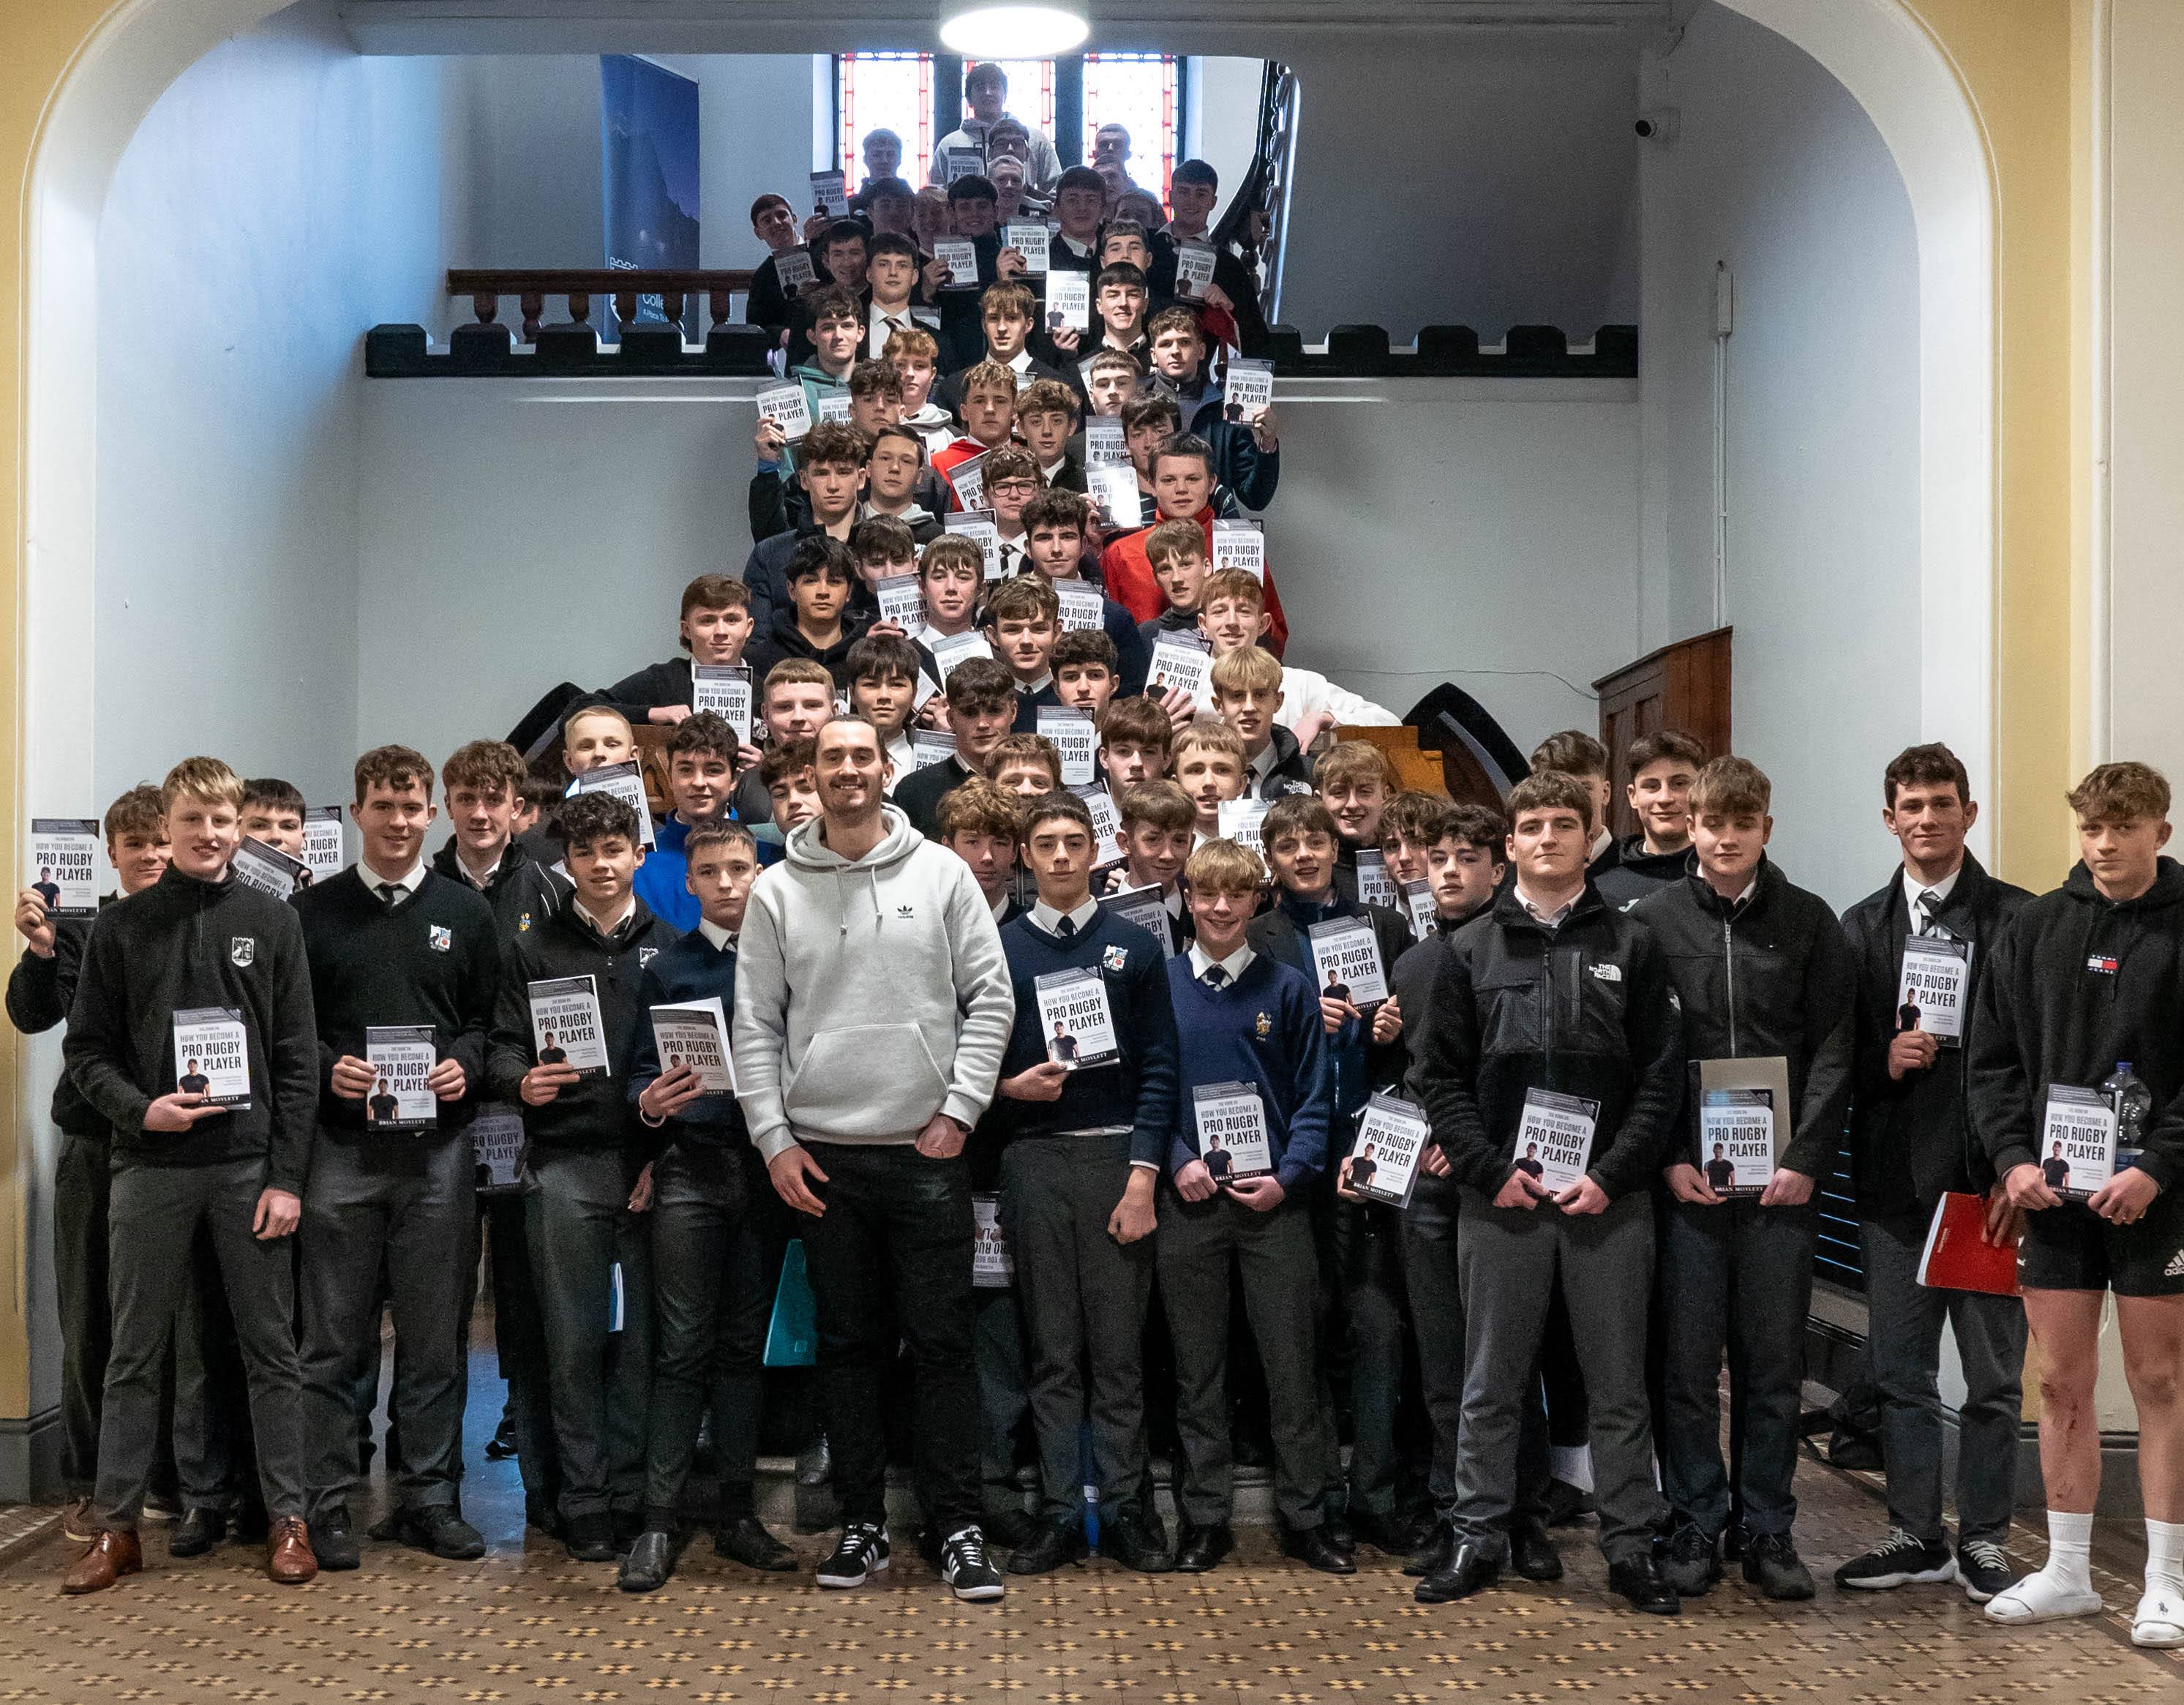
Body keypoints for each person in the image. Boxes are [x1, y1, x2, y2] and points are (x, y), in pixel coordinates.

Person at [732, 713, 1016, 1603]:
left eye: (862, 755)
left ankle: (958, 1525)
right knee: (848, 1349)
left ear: (886, 768)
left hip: (928, 1152)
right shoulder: (777, 889)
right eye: (832, 758)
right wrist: (775, 1139)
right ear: (808, 775)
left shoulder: (941, 873)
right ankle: (860, 1522)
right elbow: (754, 1025)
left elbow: (991, 998)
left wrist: (961, 1108)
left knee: (941, 1346)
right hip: (824, 1162)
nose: (848, 769)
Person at [1408, 768, 1683, 1615]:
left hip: (1610, 1204)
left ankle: (1632, 1544)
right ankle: (1477, 1533)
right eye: (1531, 825)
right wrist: (1492, 1171)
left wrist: (1611, 1176)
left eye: (1565, 822)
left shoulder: (1633, 944)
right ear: (1510, 844)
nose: (1547, 837)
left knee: (1617, 1383)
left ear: (1589, 833)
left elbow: (1663, 1081)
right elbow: (1438, 1078)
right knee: (1490, 1381)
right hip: (1502, 1202)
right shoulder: (1469, 949)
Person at [60, 757, 320, 1594]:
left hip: (249, 1170)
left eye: (222, 820)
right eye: (192, 821)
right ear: (165, 828)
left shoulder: (274, 923)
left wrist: (287, 1177)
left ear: (240, 826)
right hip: (150, 1167)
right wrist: (142, 1110)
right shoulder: (121, 927)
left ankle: (289, 1518)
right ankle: (116, 1528)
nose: (209, 834)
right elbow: (86, 1051)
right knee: (133, 1353)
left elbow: (294, 1061)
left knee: (271, 1350)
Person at [1631, 755, 1855, 1603]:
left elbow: (1836, 1045)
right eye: (1712, 821)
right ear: (1688, 825)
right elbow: (1640, 1053)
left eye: (1743, 821)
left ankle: (1767, 1525)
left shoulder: (1809, 921)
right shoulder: (1650, 921)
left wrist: (1805, 1160)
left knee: (1771, 1364)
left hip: (1781, 1191)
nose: (1727, 836)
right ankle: (1693, 1516)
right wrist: (1665, 1156)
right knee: (1686, 1365)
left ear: (1767, 826)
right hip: (1688, 1180)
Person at [1971, 760, 2184, 1644]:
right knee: (2059, 1380)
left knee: (2159, 1381)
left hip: (2159, 1198)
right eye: (2092, 827)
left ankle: (2166, 1581)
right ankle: (2065, 1571)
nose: (2104, 844)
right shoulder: (2035, 927)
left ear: (2160, 832)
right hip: (2054, 1195)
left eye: (2123, 828)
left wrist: (2160, 1166)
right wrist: (2014, 1160)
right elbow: (1991, 1062)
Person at [293, 745, 500, 1571]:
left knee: (434, 1337)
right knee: (334, 1340)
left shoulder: (467, 911)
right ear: (356, 813)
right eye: (384, 806)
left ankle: (429, 1497)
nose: (400, 820)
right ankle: (331, 1500)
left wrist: (467, 1064)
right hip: (340, 1152)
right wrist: (324, 1064)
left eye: (413, 807)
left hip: (438, 1156)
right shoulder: (311, 913)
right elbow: (287, 1033)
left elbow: (490, 1024)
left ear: (433, 814)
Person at [1832, 742, 2030, 1603]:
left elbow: (2036, 1052)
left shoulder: (2020, 919)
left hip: (1988, 1192)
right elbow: (1834, 1059)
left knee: (1992, 1380)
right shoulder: (1858, 927)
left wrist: (2019, 1167)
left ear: (1969, 813)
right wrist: (1884, 1057)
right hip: (1892, 1188)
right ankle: (1917, 1533)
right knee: (1902, 1373)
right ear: (1889, 818)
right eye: (1910, 804)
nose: (1926, 817)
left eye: (1942, 802)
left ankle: (1984, 1538)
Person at [486, 790, 678, 1562]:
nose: (603, 864)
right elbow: (501, 1044)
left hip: (646, 1172)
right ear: (567, 862)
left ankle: (632, 1492)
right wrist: (519, 1081)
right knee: (571, 1344)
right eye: (588, 852)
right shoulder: (533, 948)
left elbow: (688, 1064)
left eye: (616, 850)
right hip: (562, 1166)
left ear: (639, 855)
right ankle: (584, 1498)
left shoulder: (673, 944)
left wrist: (660, 1156)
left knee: (639, 1346)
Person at [991, 791, 1179, 1574]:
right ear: (1025, 856)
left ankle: (1129, 1504)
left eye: (1074, 841)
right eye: (1046, 843)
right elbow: (966, 1056)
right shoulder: (997, 946)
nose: (1062, 855)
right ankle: (1063, 1507)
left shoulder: (1135, 947)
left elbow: (1163, 1068)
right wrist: (1009, 1090)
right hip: (1033, 1157)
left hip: (1114, 1160)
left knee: (1119, 1351)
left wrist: (1143, 1176)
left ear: (1096, 848)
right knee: (1054, 1349)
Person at [618, 820, 798, 1589]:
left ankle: (736, 1515)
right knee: (682, 1345)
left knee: (741, 1347)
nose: (726, 883)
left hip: (765, 1170)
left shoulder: (791, 958)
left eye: (738, 868)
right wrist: (652, 1105)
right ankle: (656, 1523)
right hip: (691, 1167)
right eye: (710, 872)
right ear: (686, 883)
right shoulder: (671, 967)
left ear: (759, 873)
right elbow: (634, 1077)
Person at [1160, 838, 1344, 1575]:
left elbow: (1313, 1096)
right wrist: (1179, 1160)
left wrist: (1291, 1173)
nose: (1221, 907)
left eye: (1235, 894)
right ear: (1187, 898)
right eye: (1206, 894)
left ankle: (1308, 1516)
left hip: (1275, 1203)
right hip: (1190, 1203)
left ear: (1256, 899)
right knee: (1196, 1367)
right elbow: (1146, 1089)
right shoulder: (1160, 984)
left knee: (1293, 1363)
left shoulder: (1289, 986)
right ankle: (1204, 1517)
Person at [1247, 797, 1414, 1554]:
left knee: (1378, 1328)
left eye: (1315, 840)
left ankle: (1376, 1494)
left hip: (1374, 1149)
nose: (1305, 854)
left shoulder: (1382, 926)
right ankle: (1309, 1505)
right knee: (1300, 1337)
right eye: (1288, 845)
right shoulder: (1258, 937)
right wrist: (1298, 1019)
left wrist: (1388, 1030)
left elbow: (1412, 1053)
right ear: (1271, 860)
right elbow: (1246, 1053)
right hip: (1296, 1162)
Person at [8, 786, 170, 1540]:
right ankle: (90, 1479)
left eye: (162, 841)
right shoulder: (78, 925)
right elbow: (33, 1012)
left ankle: (168, 1471)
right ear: (111, 852)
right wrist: (40, 949)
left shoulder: (198, 921)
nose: (152, 856)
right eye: (136, 843)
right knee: (90, 1313)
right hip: (95, 1143)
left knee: (170, 1320)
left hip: (178, 1143)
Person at [1388, 801, 1520, 1581]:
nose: (1448, 869)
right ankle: (1455, 1515)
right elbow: (1414, 1077)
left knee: (1505, 1363)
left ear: (1497, 867)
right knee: (1444, 1364)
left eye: (1467, 856)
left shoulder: (1511, 948)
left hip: (1493, 1177)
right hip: (1423, 1183)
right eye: (1436, 855)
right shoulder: (1412, 958)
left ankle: (1521, 1517)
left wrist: (1469, 1145)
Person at [1101, 435, 1289, 652]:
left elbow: (1275, 636)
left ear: (1211, 484)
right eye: (1168, 480)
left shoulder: (1241, 546)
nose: (1181, 489)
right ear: (1152, 485)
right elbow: (1109, 641)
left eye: (1192, 479)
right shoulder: (1120, 553)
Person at [1200, 573, 1392, 743]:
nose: (1232, 622)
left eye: (1244, 611)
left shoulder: (1300, 684)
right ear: (1203, 624)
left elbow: (1389, 722)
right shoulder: (1182, 685)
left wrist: (1324, 718)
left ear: (1263, 624)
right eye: (1219, 611)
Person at [601, 576, 758, 729]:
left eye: (732, 620)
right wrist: (651, 713)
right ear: (686, 629)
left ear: (749, 627)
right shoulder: (664, 679)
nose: (721, 632)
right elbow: (583, 705)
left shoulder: (765, 686)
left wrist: (767, 756)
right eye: (707, 621)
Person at [634, 714, 743, 932]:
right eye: (686, 770)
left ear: (734, 780)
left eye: (713, 770)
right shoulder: (639, 861)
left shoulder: (766, 856)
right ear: (670, 776)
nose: (698, 782)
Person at [895, 657, 1018, 842]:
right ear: (951, 719)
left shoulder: (1035, 785)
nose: (983, 724)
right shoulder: (914, 791)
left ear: (1013, 712)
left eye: (994, 711)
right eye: (970, 713)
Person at [1596, 732, 1707, 910]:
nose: (1665, 798)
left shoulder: (1726, 876)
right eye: (1652, 786)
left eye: (1679, 784)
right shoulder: (1601, 888)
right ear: (1633, 797)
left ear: (1702, 791)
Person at [746, 535, 864, 690]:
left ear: (849, 592)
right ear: (792, 590)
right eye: (810, 581)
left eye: (834, 581)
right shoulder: (757, 660)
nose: (823, 592)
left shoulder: (864, 659)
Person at [931, 62, 1060, 193]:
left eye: (995, 86)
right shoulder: (949, 144)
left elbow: (1056, 189)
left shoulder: (1035, 139)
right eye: (980, 87)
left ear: (1005, 95)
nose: (988, 92)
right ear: (969, 99)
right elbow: (936, 194)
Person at [1211, 646, 1313, 800]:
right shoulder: (1196, 773)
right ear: (1219, 704)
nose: (1249, 707)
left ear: (1278, 701)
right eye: (1237, 696)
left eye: (1260, 695)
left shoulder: (1309, 773)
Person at [1530, 730, 1620, 880]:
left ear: (1605, 793)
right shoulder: (1516, 880)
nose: (1573, 800)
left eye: (1584, 788)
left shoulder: (1638, 873)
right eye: (1558, 789)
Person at [939, 778, 1026, 925]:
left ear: (1015, 852)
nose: (988, 857)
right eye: (973, 842)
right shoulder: (931, 927)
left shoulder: (1033, 931)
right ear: (949, 848)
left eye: (1000, 843)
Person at [743, 193, 808, 348]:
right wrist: (781, 334)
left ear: (794, 219)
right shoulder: (763, 276)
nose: (777, 223)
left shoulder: (821, 252)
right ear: (758, 233)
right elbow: (757, 326)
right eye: (767, 220)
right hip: (799, 355)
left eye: (782, 215)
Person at [1172, 715, 1250, 844]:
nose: (1209, 782)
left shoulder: (1264, 842)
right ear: (1176, 784)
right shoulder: (1164, 851)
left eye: (1222, 770)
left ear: (1241, 784)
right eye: (1196, 770)